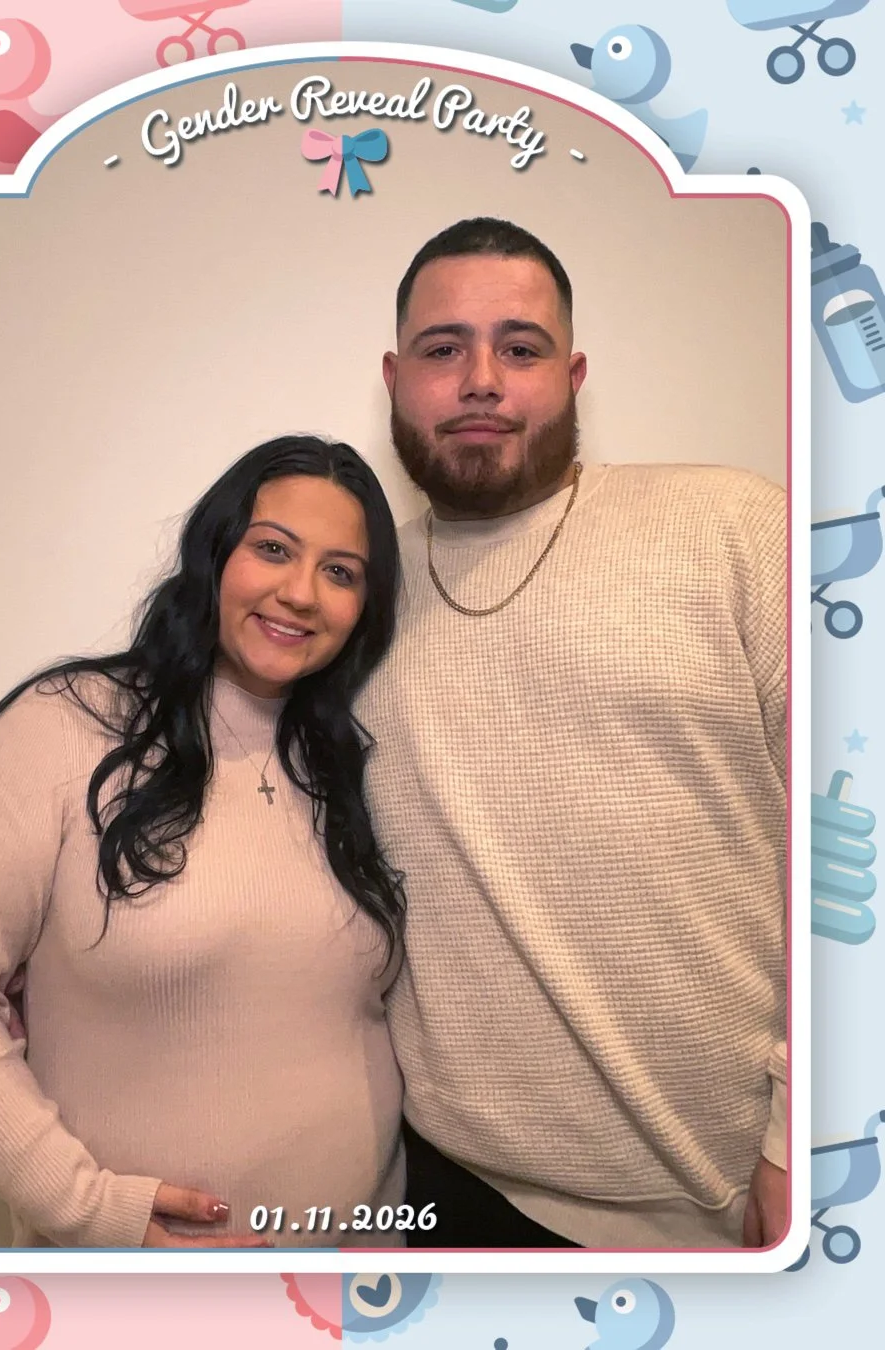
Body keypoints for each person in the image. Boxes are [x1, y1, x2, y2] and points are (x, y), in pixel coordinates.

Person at [356, 217, 788, 1251]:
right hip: (462, 1195)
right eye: (443, 348)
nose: (480, 380)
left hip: (740, 1200)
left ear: (574, 372)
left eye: (520, 346)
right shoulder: (349, 600)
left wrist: (799, 1137)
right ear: (395, 377)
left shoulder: (736, 530)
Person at [0, 435, 409, 1250]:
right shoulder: (70, 727)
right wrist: (92, 1212)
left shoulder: (352, 758)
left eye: (341, 571)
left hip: (359, 1283)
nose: (302, 593)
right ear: (214, 554)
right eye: (273, 549)